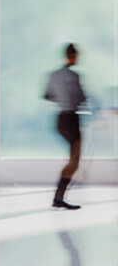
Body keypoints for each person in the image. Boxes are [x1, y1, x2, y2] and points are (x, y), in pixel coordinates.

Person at [44, 43, 87, 210]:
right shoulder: (75, 76)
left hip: (61, 119)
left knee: (73, 160)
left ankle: (58, 197)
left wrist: (61, 97)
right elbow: (82, 98)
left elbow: (48, 95)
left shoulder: (53, 75)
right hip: (71, 119)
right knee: (74, 161)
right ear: (74, 56)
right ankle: (58, 197)